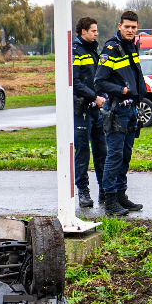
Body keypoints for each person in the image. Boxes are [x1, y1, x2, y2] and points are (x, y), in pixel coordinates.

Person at [91, 10, 146, 216]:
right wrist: (122, 90)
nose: (130, 30)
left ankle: (122, 196)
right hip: (116, 109)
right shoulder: (112, 48)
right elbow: (99, 82)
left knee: (125, 155)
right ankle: (110, 200)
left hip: (131, 109)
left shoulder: (131, 46)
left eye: (133, 27)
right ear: (119, 26)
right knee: (113, 156)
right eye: (127, 27)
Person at [70, 17, 106, 210]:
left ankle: (104, 189)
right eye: (93, 30)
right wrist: (94, 97)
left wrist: (103, 94)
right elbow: (76, 83)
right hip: (82, 110)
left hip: (96, 110)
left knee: (102, 152)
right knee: (83, 152)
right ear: (83, 31)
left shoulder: (94, 49)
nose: (96, 33)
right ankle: (83, 191)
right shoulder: (76, 51)